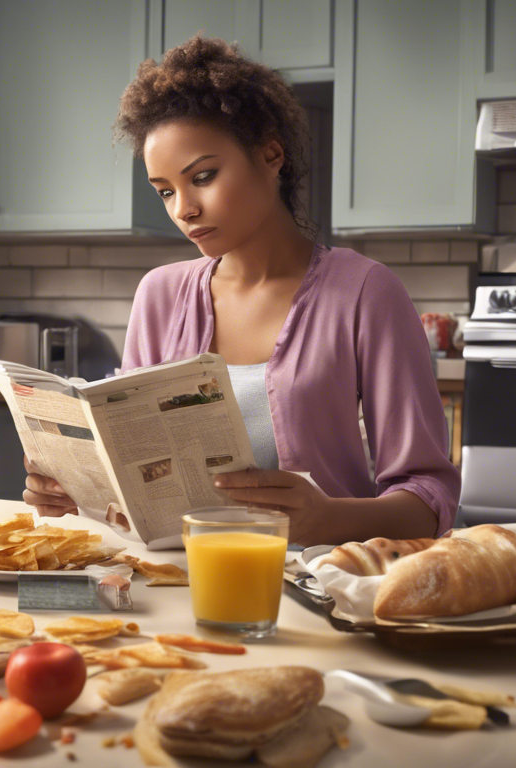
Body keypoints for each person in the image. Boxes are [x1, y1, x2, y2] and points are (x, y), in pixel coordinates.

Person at [23, 36, 460, 546]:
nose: (183, 209)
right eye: (165, 190)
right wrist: (78, 490)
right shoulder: (160, 296)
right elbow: (139, 484)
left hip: (317, 591)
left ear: (271, 155)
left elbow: (429, 498)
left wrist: (328, 519)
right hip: (179, 587)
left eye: (202, 177)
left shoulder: (365, 292)